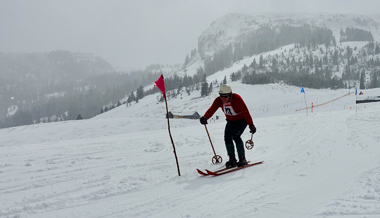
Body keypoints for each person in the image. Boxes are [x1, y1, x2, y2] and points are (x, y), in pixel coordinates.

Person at [200, 84, 256, 168]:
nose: (223, 99)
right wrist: (205, 117)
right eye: (221, 96)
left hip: (241, 120)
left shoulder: (237, 99)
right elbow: (212, 109)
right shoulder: (218, 100)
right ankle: (232, 159)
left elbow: (245, 112)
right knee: (227, 138)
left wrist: (251, 124)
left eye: (225, 96)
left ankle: (242, 158)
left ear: (230, 95)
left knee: (236, 136)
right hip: (230, 121)